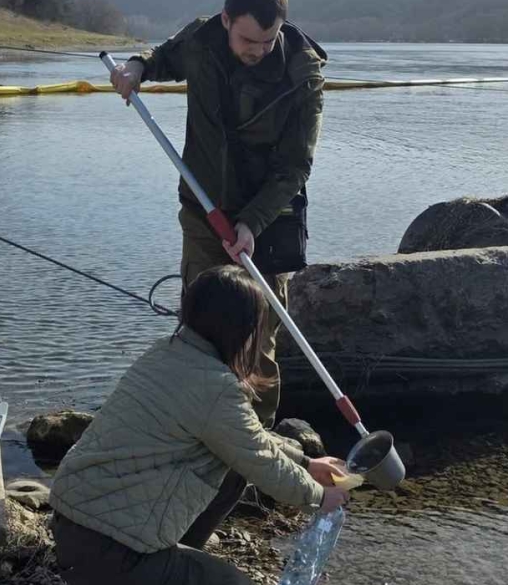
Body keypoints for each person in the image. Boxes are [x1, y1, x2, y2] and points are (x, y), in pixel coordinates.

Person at [109, 0, 328, 545]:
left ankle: (248, 464)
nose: (258, 52)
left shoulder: (302, 74)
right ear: (226, 21)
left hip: (267, 224)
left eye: (268, 41)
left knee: (257, 347)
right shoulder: (203, 41)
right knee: (199, 333)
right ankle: (185, 450)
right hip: (204, 216)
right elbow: (162, 58)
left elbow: (295, 167)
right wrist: (136, 68)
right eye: (248, 40)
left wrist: (251, 222)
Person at [49, 265, 350, 584]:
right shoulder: (215, 386)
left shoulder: (165, 353)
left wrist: (306, 463)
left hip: (73, 527)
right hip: (113, 552)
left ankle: (177, 554)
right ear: (239, 329)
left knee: (234, 471)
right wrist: (320, 497)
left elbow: (246, 439)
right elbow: (262, 461)